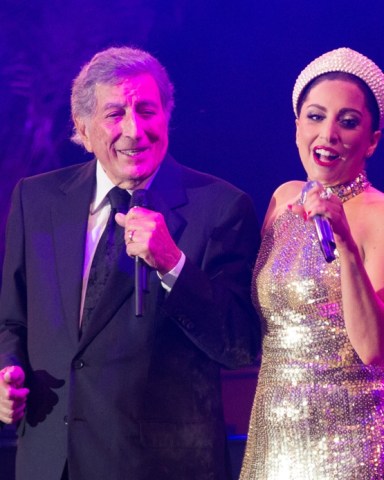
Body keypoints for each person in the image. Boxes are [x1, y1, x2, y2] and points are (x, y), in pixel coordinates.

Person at [0, 46, 261, 480]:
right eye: (115, 113)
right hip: (49, 460)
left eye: (146, 110)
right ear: (83, 129)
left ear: (167, 116)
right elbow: (10, 318)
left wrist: (173, 265)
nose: (134, 130)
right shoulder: (37, 199)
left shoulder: (220, 208)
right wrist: (6, 371)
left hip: (159, 467)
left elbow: (239, 346)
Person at [240, 47, 384, 479]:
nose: (329, 134)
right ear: (297, 126)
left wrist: (343, 239)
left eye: (348, 121)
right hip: (273, 430)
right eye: (316, 117)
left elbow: (373, 349)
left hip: (349, 441)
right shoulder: (283, 199)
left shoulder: (378, 216)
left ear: (372, 140)